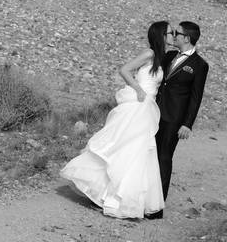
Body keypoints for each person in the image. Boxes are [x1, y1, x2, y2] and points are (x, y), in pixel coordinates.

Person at [60, 21, 168, 219]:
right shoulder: (150, 54)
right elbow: (125, 70)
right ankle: (108, 194)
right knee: (122, 145)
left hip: (147, 108)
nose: (172, 35)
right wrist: (137, 89)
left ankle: (123, 199)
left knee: (138, 150)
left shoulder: (161, 59)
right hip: (138, 104)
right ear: (161, 36)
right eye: (169, 33)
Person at [147, 20, 209, 220]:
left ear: (187, 38)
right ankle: (143, 197)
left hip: (174, 118)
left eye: (177, 33)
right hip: (154, 113)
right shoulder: (170, 56)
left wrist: (187, 124)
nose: (174, 35)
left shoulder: (200, 65)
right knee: (148, 156)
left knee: (164, 158)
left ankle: (156, 208)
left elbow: (195, 98)